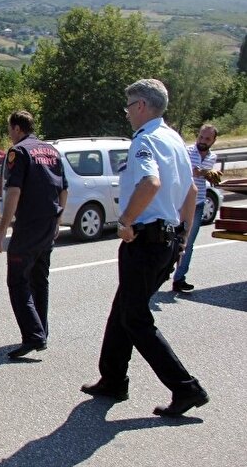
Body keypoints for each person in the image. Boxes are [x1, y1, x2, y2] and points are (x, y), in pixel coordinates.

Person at [81, 78, 208, 417]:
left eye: (128, 107)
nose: (127, 114)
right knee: (124, 307)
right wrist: (182, 237)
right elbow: (192, 193)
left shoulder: (145, 141)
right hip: (165, 240)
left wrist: (125, 220)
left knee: (135, 318)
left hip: (145, 240)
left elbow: (150, 183)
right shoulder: (174, 139)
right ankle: (112, 378)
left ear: (141, 106)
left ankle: (186, 388)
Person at [0, 110, 68, 359]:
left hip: (28, 226)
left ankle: (34, 335)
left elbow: (14, 192)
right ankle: (41, 331)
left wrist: (2, 231)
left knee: (17, 281)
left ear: (16, 128)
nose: (9, 134)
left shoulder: (19, 152)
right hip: (47, 225)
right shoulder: (52, 151)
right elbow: (64, 189)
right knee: (39, 279)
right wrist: (57, 220)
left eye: (9, 129)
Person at [172, 123, 218, 293]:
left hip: (198, 204)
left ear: (213, 141)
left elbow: (208, 174)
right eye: (200, 137)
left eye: (207, 139)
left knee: (188, 243)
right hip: (180, 202)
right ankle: (160, 273)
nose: (202, 141)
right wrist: (197, 171)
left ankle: (179, 279)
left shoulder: (213, 157)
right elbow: (180, 169)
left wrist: (210, 176)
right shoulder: (187, 151)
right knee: (169, 239)